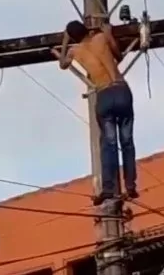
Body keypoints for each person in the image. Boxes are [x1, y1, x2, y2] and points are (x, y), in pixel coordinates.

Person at [57, 20, 138, 205]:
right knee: (127, 141)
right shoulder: (101, 38)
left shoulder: (74, 50)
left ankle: (108, 188)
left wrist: (64, 41)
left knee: (109, 144)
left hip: (104, 95)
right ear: (86, 30)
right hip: (121, 89)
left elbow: (62, 64)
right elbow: (118, 56)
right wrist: (109, 34)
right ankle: (131, 185)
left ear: (72, 36)